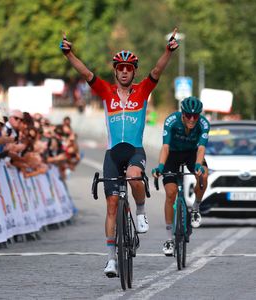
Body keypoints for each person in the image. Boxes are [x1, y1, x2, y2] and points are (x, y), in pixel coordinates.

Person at [61, 28, 179, 276]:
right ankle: (111, 259)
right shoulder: (105, 91)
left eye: (129, 68)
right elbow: (85, 73)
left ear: (134, 71)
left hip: (134, 150)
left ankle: (140, 210)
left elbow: (157, 71)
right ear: (115, 71)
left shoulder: (142, 90)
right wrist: (69, 54)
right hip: (112, 153)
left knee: (135, 176)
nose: (125, 71)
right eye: (120, 68)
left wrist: (168, 51)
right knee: (112, 205)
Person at [151, 96, 210, 256]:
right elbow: (165, 147)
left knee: (204, 175)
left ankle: (196, 208)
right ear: (182, 114)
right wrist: (161, 167)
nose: (192, 119)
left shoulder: (204, 124)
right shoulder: (171, 121)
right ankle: (169, 239)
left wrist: (198, 165)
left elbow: (201, 148)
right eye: (188, 115)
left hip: (192, 154)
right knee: (170, 194)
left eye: (195, 116)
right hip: (173, 155)